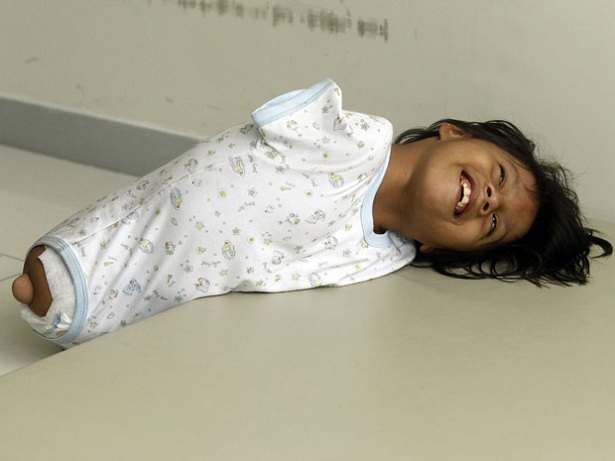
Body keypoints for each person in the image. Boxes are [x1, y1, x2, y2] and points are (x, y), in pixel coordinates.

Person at [11, 78, 612, 348]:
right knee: (117, 237)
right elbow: (277, 120)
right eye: (499, 176)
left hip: (142, 308)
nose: (488, 198)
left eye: (493, 222)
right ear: (452, 133)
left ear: (440, 248)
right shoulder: (358, 139)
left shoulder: (377, 258)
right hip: (107, 242)